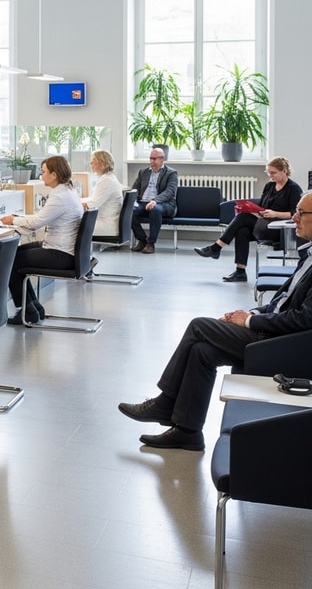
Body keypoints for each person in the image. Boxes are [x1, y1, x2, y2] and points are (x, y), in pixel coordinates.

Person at [118, 192, 312, 451]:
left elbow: (304, 319)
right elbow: (282, 301)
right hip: (268, 328)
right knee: (202, 351)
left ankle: (165, 402)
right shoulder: (307, 256)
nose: (295, 218)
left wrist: (250, 323)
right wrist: (251, 313)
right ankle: (187, 432)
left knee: (199, 325)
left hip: (278, 343)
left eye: (301, 213)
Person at [0, 155, 84, 325]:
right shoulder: (67, 191)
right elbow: (41, 218)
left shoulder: (60, 196)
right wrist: (18, 218)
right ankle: (33, 307)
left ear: (54, 175)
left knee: (9, 261)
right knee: (14, 254)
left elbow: (35, 223)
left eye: (44, 171)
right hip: (62, 249)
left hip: (61, 255)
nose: (41, 175)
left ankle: (28, 310)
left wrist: (13, 220)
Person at [194, 156, 303, 282]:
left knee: (242, 218)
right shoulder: (269, 186)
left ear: (284, 171)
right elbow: (262, 206)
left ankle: (216, 248)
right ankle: (240, 271)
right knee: (242, 231)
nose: (270, 176)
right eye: (268, 172)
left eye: (273, 173)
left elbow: (295, 213)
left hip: (279, 229)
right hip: (263, 224)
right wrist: (254, 211)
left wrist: (275, 214)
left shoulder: (293, 189)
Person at [129, 147, 178, 254]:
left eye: (154, 159)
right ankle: (142, 240)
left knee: (155, 209)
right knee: (129, 211)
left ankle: (151, 243)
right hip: (143, 202)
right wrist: (131, 200)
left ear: (162, 159)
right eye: (151, 158)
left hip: (163, 203)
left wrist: (155, 201)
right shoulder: (143, 172)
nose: (152, 161)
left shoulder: (171, 173)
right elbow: (135, 188)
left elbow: (170, 192)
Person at [85, 150, 123, 238]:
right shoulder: (109, 177)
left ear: (102, 163)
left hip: (106, 225)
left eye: (93, 161)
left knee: (70, 227)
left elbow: (92, 205)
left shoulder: (106, 180)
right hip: (108, 222)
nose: (91, 164)